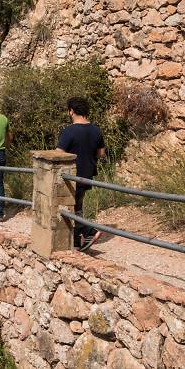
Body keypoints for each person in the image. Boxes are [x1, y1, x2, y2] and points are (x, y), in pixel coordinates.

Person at [56, 96, 105, 252]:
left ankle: (90, 231)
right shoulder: (96, 130)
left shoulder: (68, 131)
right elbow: (101, 153)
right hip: (88, 174)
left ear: (71, 111)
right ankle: (77, 243)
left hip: (72, 175)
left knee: (72, 209)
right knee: (77, 206)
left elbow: (58, 154)